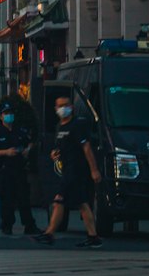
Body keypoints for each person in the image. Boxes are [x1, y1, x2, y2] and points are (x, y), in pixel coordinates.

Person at [32, 92, 104, 249]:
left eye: (66, 105)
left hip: (76, 170)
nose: (63, 108)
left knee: (59, 200)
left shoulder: (77, 125)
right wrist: (54, 154)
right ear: (56, 108)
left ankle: (50, 233)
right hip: (66, 170)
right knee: (82, 203)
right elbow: (60, 147)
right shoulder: (60, 127)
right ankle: (93, 236)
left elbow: (86, 148)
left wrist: (94, 170)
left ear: (71, 107)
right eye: (60, 106)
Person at [0, 97, 38, 236]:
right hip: (5, 169)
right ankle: (7, 225)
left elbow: (31, 142)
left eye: (10, 113)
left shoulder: (19, 130)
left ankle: (29, 225)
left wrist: (27, 150)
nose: (9, 115)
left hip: (19, 168)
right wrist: (6, 152)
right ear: (1, 116)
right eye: (6, 113)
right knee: (7, 200)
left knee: (23, 198)